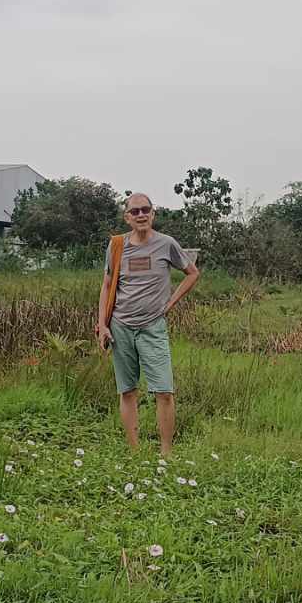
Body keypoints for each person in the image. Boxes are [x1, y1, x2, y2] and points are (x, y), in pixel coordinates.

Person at [95, 192, 199, 456]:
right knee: (127, 391)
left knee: (164, 392)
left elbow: (192, 273)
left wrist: (170, 303)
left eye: (145, 210)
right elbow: (106, 285)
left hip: (152, 327)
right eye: (135, 211)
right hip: (120, 326)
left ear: (153, 214)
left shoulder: (167, 244)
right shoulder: (117, 246)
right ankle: (134, 453)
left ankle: (166, 454)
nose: (141, 215)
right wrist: (102, 324)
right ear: (127, 217)